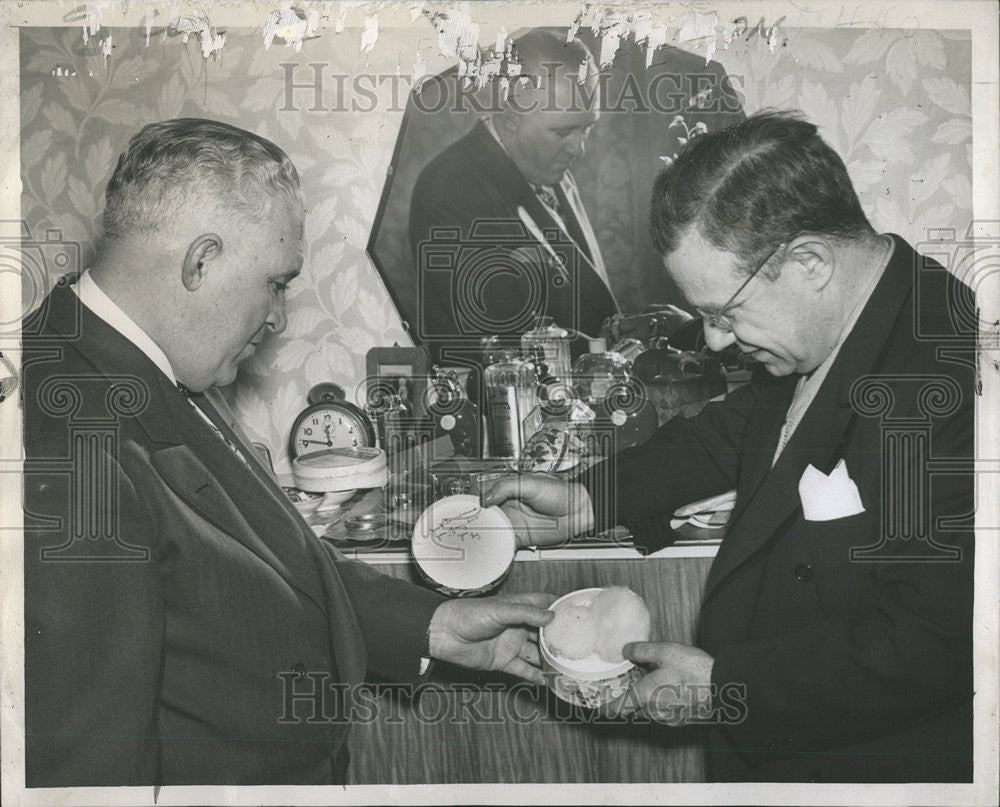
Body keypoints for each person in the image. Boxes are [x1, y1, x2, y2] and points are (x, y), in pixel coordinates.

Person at [21, 118, 556, 787]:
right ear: (201, 261)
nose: (276, 316)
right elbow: (85, 768)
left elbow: (264, 565)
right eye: (275, 281)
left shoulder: (152, 360)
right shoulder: (67, 432)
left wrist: (436, 624)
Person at [483, 111, 975, 783]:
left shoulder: (950, 378)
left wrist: (726, 687)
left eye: (724, 313)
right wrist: (587, 498)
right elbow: (738, 428)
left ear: (810, 262)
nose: (714, 340)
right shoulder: (835, 322)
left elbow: (934, 644)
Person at [408, 29, 619, 363]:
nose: (579, 150)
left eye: (587, 127)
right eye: (563, 131)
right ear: (509, 119)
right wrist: (617, 355)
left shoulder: (546, 165)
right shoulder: (451, 190)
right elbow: (502, 342)